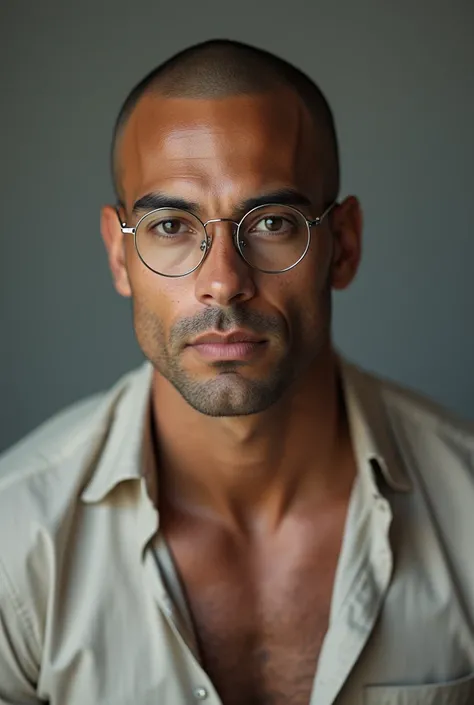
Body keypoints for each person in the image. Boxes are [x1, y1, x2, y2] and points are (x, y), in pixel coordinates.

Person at [0, 38, 473, 705]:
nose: (223, 282)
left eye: (272, 221)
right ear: (118, 255)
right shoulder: (15, 543)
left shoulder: (467, 510)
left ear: (344, 245)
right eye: (171, 225)